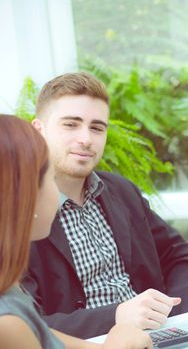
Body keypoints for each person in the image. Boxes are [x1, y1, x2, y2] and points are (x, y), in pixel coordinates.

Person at [21, 72, 188, 339]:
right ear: (38, 130)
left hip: (158, 337)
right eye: (71, 125)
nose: (85, 139)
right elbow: (24, 326)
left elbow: (181, 256)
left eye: (97, 127)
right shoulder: (16, 212)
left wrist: (185, 320)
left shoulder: (120, 190)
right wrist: (116, 316)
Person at [0, 114, 152, 348]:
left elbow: (43, 333)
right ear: (25, 195)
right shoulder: (7, 324)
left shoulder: (8, 286)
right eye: (51, 177)